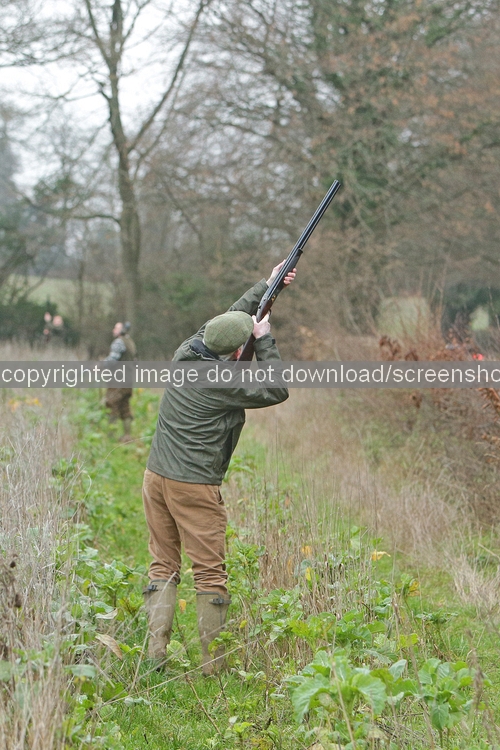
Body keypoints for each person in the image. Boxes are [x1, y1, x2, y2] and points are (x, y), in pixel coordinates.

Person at [142, 261, 296, 674]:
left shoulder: (187, 352)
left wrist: (268, 285)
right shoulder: (223, 382)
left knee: (163, 565)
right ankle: (215, 669)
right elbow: (277, 388)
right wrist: (264, 340)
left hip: (155, 477)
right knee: (209, 573)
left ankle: (155, 656)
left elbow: (227, 321)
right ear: (235, 352)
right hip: (193, 485)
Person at [104, 321, 137, 442]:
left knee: (111, 404)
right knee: (125, 407)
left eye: (116, 328)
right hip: (128, 380)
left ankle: (110, 437)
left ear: (122, 330)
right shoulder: (130, 342)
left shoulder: (118, 342)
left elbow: (112, 360)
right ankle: (127, 436)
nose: (113, 330)